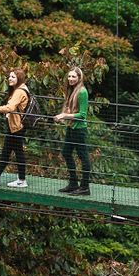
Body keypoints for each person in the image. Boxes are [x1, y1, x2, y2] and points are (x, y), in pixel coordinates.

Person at [0, 68, 30, 188]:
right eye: (9, 77)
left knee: (9, 153)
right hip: (17, 126)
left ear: (19, 78)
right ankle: (17, 179)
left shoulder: (19, 92)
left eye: (13, 77)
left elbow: (10, 107)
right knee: (12, 153)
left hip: (16, 127)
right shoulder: (21, 88)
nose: (10, 79)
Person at [53, 65, 91, 195]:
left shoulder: (82, 91)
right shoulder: (72, 90)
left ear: (79, 78)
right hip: (71, 127)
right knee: (66, 153)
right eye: (69, 76)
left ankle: (85, 187)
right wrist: (63, 116)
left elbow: (82, 115)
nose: (70, 78)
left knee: (83, 157)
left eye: (73, 76)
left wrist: (64, 115)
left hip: (79, 129)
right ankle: (73, 183)